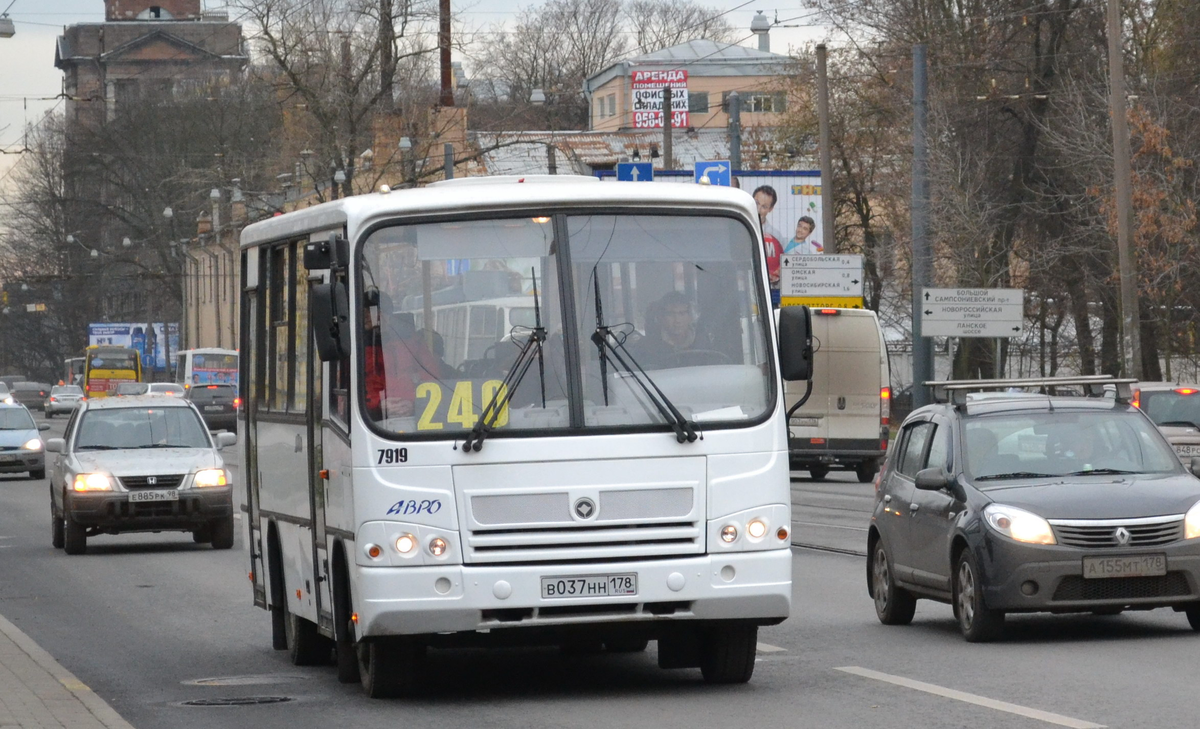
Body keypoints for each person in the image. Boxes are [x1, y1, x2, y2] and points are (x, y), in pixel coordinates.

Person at [365, 297, 442, 420]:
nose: (372, 318)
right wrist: (378, 404)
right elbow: (350, 387)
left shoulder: (415, 344)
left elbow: (432, 379)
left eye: (379, 312)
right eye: (366, 314)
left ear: (389, 316)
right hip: (371, 421)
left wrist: (414, 403)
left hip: (414, 416)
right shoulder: (355, 350)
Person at [634, 291, 715, 368]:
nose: (677, 320)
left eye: (682, 314)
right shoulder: (647, 347)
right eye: (670, 314)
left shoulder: (705, 343)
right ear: (660, 317)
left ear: (690, 317)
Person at [752, 185, 784, 304]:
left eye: (764, 207)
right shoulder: (739, 227)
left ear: (770, 209)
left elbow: (782, 266)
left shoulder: (776, 236)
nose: (759, 209)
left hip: (769, 294)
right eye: (756, 203)